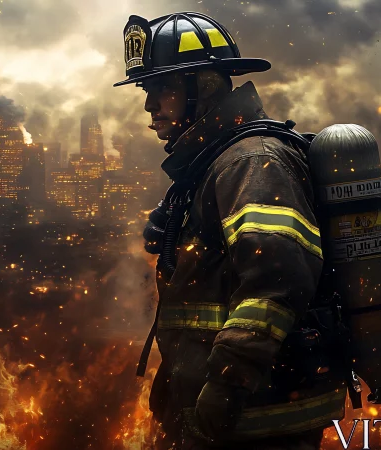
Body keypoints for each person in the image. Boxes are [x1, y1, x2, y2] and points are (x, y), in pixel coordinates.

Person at [113, 12, 347, 450]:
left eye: (162, 88)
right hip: (231, 417)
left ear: (201, 86)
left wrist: (221, 392)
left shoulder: (251, 163)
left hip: (254, 422)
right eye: (148, 90)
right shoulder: (215, 163)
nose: (149, 105)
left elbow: (274, 289)